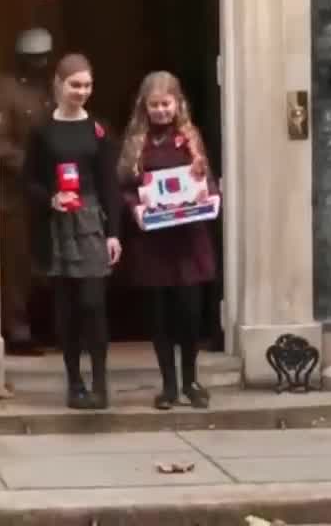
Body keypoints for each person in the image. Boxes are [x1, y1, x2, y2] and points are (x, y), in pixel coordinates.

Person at [22, 53, 122, 410]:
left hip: (92, 223)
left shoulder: (99, 129)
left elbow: (110, 184)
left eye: (87, 85)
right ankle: (74, 382)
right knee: (67, 310)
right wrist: (51, 198)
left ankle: (99, 382)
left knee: (93, 304)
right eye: (74, 84)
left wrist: (114, 233)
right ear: (59, 84)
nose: (81, 91)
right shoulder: (42, 131)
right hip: (58, 227)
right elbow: (29, 180)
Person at [118, 71, 217, 410]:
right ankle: (169, 386)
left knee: (189, 315)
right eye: (154, 105)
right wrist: (136, 209)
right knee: (159, 318)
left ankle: (191, 380)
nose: (161, 111)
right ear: (144, 107)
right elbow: (125, 188)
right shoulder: (136, 142)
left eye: (166, 104)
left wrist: (209, 197)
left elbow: (207, 180)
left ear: (178, 104)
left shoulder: (189, 137)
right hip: (153, 243)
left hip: (189, 241)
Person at [0, 27, 54, 356]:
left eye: (45, 58)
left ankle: (48, 325)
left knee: (48, 260)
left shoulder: (51, 91)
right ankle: (18, 330)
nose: (41, 63)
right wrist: (28, 167)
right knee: (18, 263)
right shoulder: (6, 90)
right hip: (16, 192)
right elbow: (0, 141)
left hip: (50, 190)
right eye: (34, 59)